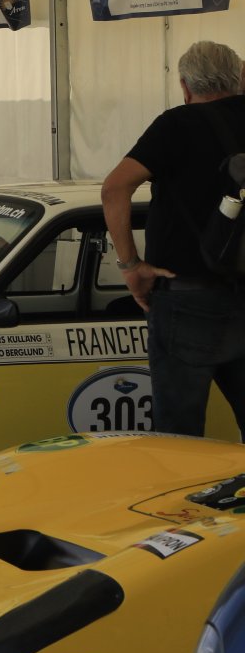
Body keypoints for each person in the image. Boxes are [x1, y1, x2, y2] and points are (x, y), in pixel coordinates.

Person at [103, 40, 245, 437]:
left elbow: (114, 188)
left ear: (184, 86)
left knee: (179, 438)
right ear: (238, 78)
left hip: (187, 300)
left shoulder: (176, 125)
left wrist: (132, 267)